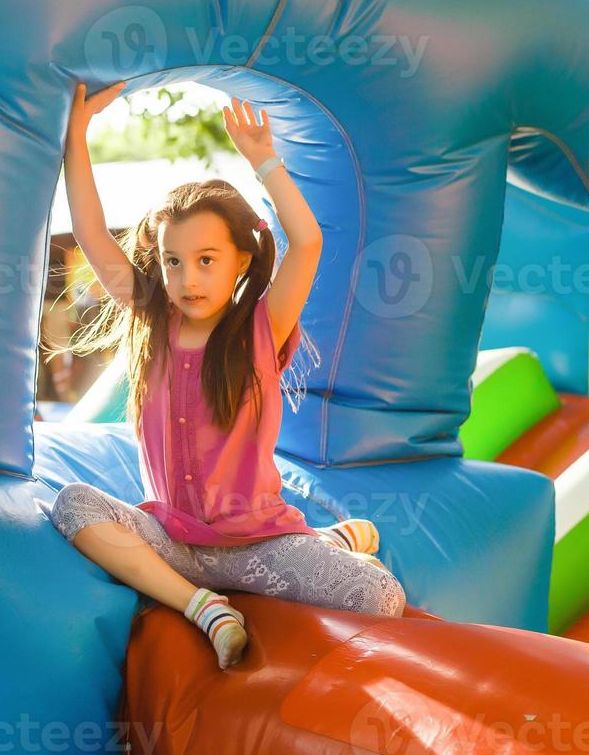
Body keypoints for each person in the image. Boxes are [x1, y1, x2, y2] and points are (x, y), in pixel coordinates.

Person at [49, 80, 406, 670]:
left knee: (381, 595)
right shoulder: (153, 323)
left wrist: (262, 159)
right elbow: (91, 233)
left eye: (207, 260)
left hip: (257, 545)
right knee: (73, 504)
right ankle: (202, 609)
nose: (188, 278)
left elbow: (308, 242)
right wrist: (77, 137)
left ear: (241, 261)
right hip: (173, 548)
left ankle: (322, 543)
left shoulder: (258, 332)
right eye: (173, 261)